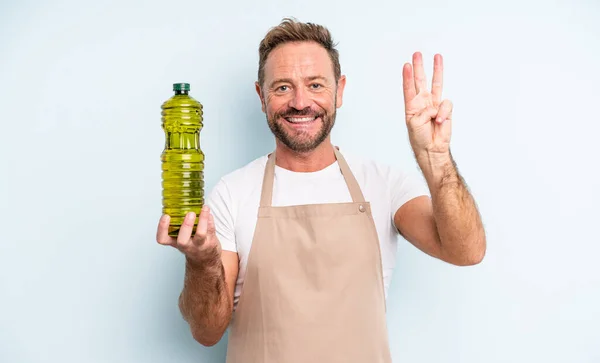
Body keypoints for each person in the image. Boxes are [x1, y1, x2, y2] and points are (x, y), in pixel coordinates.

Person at [156, 17, 486, 363]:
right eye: (282, 87)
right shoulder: (233, 192)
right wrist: (203, 262)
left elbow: (466, 251)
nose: (300, 102)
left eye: (315, 85)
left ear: (339, 90)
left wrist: (435, 159)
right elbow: (206, 332)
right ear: (261, 96)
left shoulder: (384, 184)